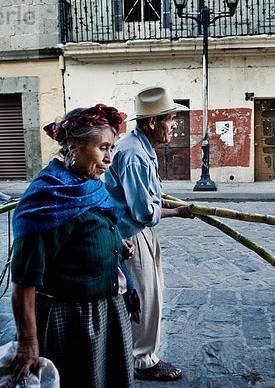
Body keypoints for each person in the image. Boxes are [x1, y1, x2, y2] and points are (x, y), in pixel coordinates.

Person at [10, 105, 134, 387]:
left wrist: (115, 245)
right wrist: (28, 341)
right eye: (103, 147)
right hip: (72, 320)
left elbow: (91, 228)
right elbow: (24, 280)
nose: (108, 158)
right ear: (75, 146)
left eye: (111, 147)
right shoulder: (46, 199)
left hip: (107, 311)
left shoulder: (88, 185)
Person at [104, 86, 194, 382]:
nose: (175, 124)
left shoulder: (139, 145)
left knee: (148, 293)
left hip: (141, 231)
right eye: (170, 119)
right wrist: (175, 212)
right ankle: (143, 361)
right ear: (153, 122)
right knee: (145, 297)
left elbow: (149, 196)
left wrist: (165, 203)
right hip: (132, 234)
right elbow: (143, 212)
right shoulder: (134, 154)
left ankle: (137, 354)